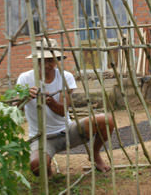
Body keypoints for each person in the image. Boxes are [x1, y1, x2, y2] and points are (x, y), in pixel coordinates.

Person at [17, 38, 114, 176]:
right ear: (36, 61)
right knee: (37, 166)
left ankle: (95, 154)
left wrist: (50, 101)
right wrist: (24, 97)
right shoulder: (25, 79)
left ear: (57, 60)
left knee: (106, 120)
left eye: (50, 60)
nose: (46, 64)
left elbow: (62, 111)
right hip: (41, 138)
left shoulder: (65, 77)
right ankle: (47, 167)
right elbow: (17, 109)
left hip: (67, 131)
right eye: (42, 60)